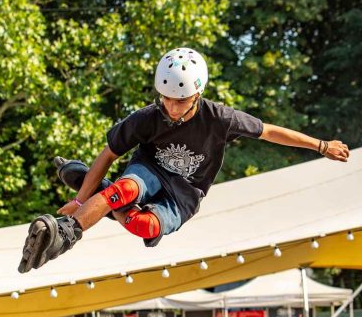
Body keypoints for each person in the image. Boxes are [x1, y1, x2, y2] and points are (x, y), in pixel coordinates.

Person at [18, 47, 350, 274]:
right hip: (148, 171)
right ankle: (66, 234)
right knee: (123, 190)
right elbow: (108, 153)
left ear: (198, 94)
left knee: (144, 226)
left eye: (181, 101)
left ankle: (100, 192)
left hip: (185, 195)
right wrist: (79, 205)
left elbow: (270, 132)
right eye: (167, 100)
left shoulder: (220, 118)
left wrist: (321, 145)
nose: (172, 108)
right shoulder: (147, 118)